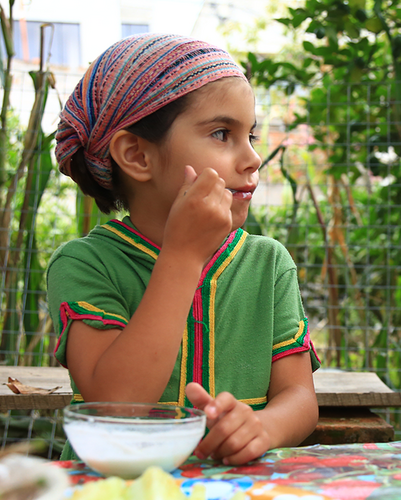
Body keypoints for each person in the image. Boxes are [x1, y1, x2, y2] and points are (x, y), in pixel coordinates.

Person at [48, 33, 320, 464]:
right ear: (137, 155)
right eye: (221, 133)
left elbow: (299, 397)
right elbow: (116, 407)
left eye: (250, 135)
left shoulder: (268, 263)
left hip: (236, 487)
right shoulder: (86, 264)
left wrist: (264, 427)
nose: (252, 158)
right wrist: (183, 256)